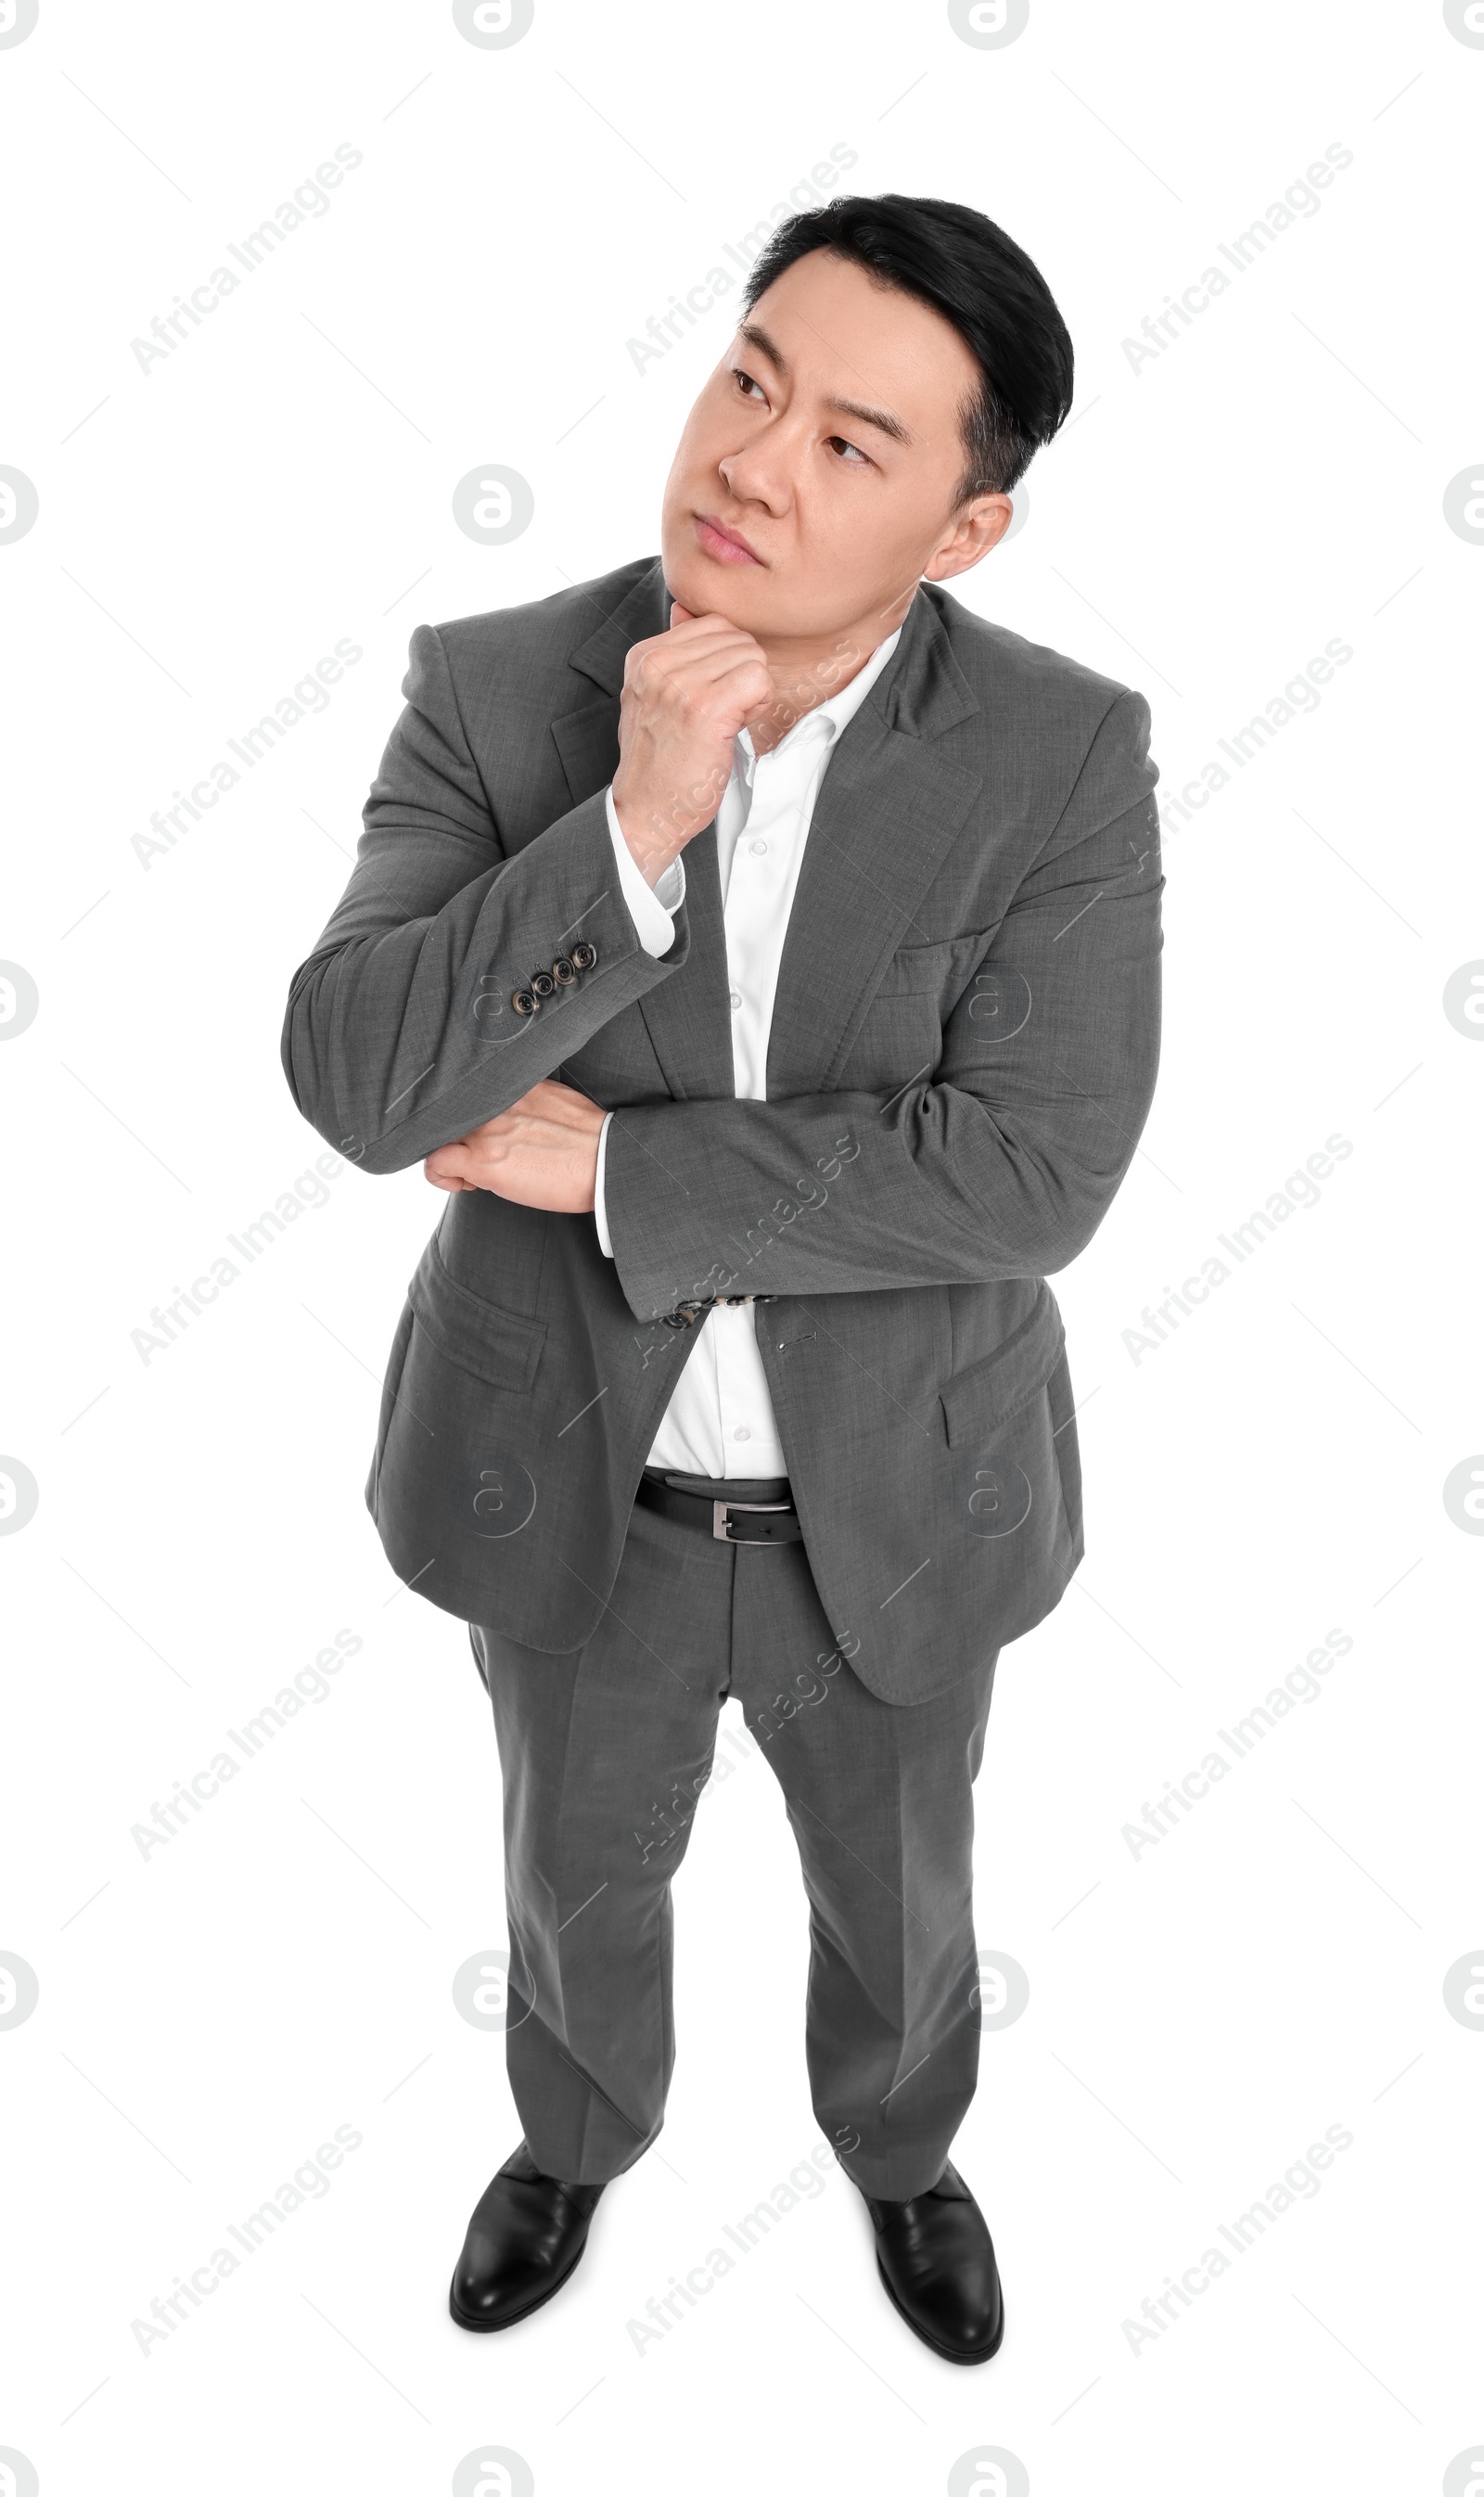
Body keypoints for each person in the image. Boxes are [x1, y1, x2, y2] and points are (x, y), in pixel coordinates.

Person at [281, 192, 1162, 2366]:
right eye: (750, 377)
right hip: (575, 1500)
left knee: (902, 1897)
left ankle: (899, 2150)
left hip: (902, 1494)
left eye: (853, 443)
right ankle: (571, 2136)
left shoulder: (1058, 751)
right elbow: (362, 1076)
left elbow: (1031, 1170)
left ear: (961, 533)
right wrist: (627, 832)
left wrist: (611, 1170)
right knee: (572, 1887)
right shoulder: (502, 691)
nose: (753, 460)